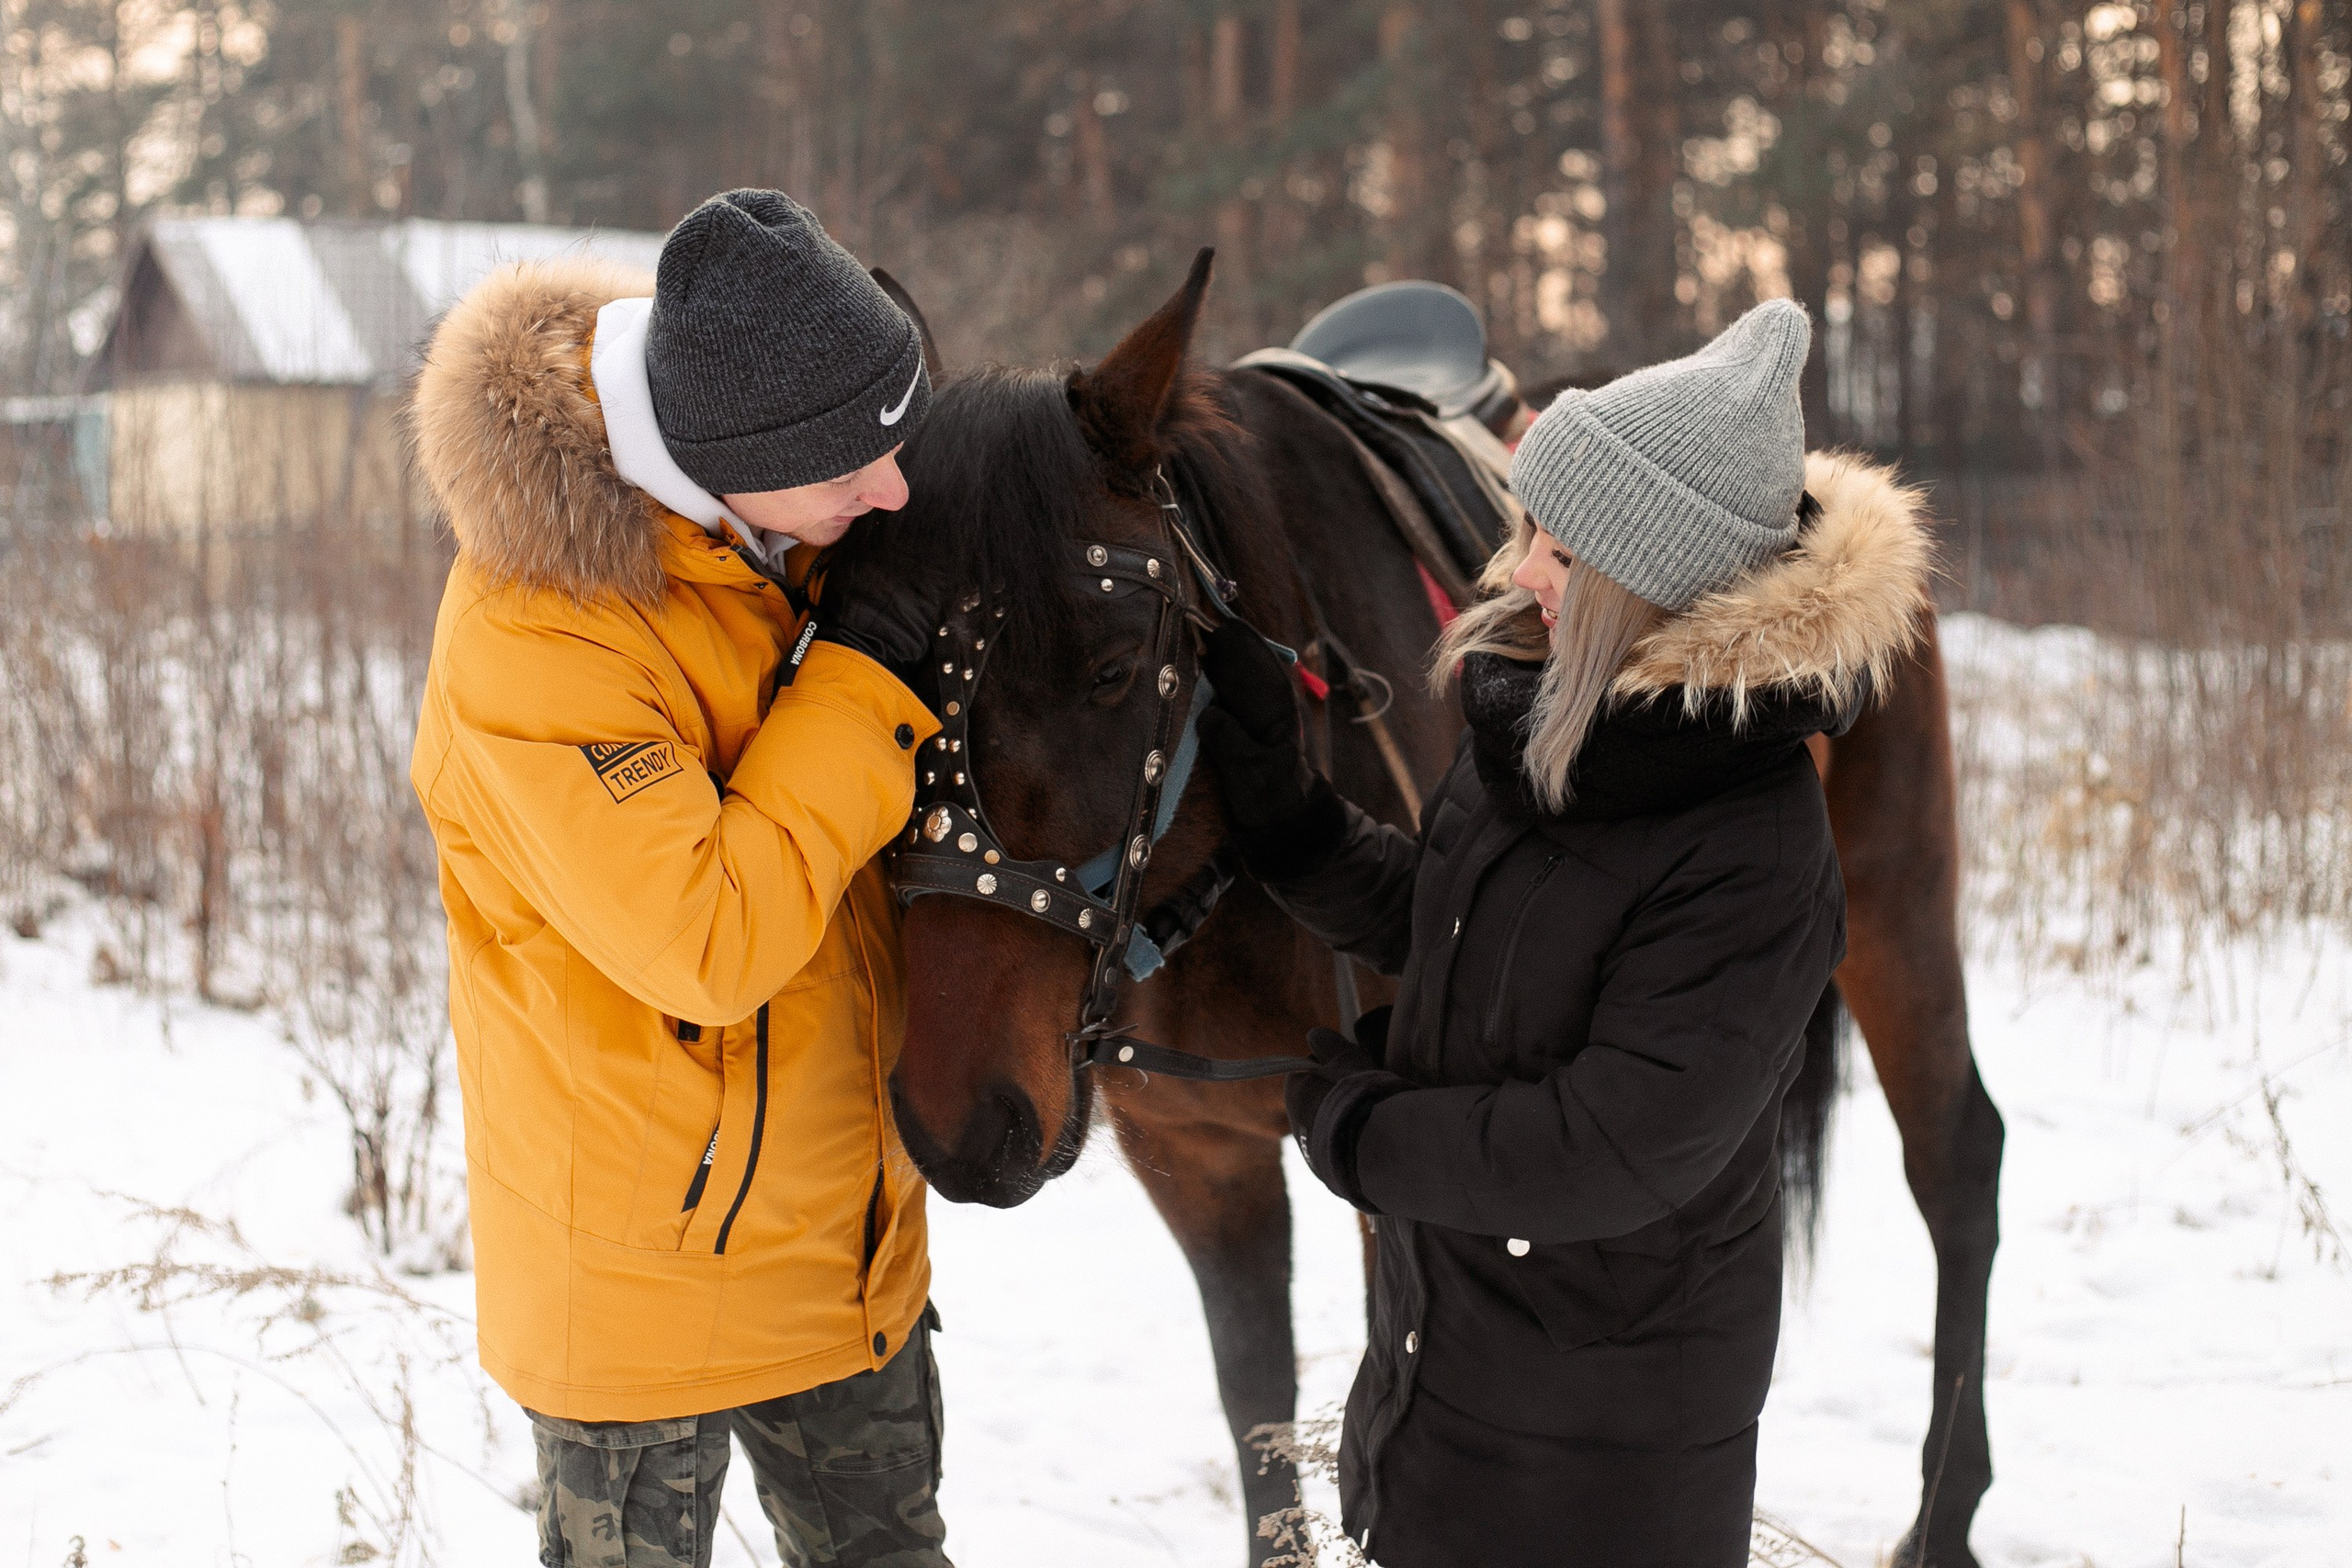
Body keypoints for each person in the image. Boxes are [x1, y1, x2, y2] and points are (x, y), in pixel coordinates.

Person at [1195, 299, 1933, 1566]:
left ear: (1651, 582)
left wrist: (1361, 1131)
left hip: (1600, 1463)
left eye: (1559, 545)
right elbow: (1451, 917)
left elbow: (1604, 1151)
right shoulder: (1545, 726)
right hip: (1453, 1385)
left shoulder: (1751, 851)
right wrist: (1287, 815)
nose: (1521, 568)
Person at [409, 189, 955, 1568]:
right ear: (736, 461)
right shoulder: (539, 633)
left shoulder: (788, 534)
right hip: (649, 1275)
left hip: (843, 1243)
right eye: (857, 464)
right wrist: (865, 680)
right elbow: (703, 940)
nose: (894, 494)